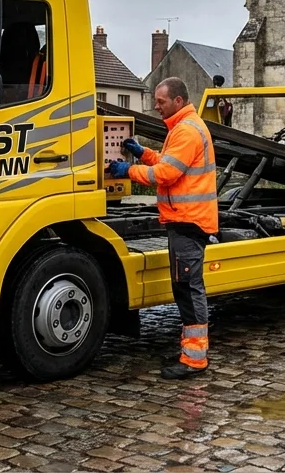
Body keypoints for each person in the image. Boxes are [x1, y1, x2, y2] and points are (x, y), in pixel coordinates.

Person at [107, 77, 217, 379]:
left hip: (188, 221)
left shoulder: (186, 130)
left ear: (177, 101)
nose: (156, 106)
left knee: (188, 288)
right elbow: (168, 162)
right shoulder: (182, 127)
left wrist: (128, 170)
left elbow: (166, 173)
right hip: (185, 220)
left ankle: (194, 358)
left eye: (161, 101)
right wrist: (143, 153)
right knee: (184, 287)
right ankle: (190, 350)